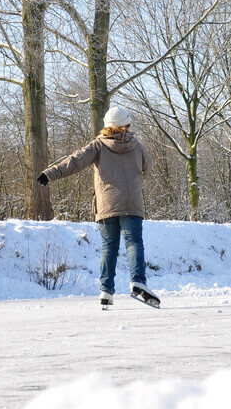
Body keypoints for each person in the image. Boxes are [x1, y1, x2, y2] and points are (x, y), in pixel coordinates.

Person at [37, 106, 158, 308]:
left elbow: (75, 161)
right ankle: (137, 281)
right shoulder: (136, 145)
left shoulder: (98, 145)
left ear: (107, 125)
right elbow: (148, 167)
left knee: (109, 248)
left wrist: (50, 173)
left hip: (107, 204)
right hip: (132, 202)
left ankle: (106, 291)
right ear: (126, 125)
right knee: (134, 243)